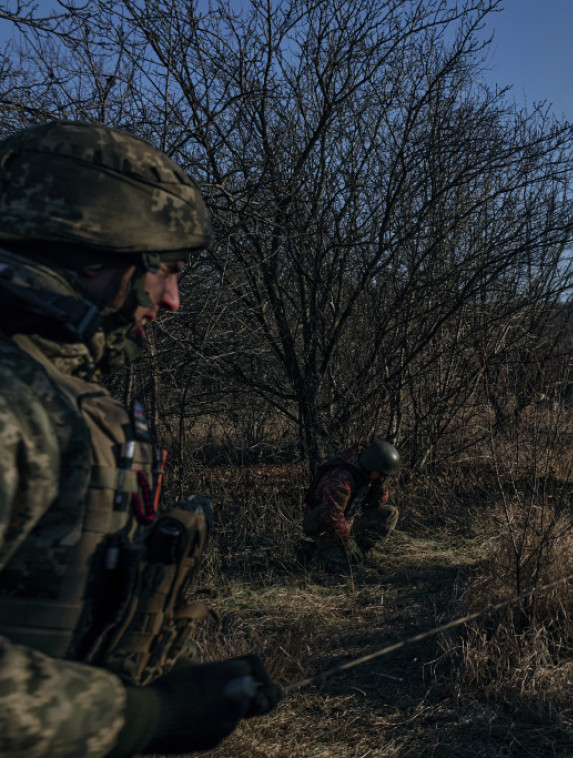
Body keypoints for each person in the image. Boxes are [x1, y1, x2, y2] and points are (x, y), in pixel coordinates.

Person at [0, 121, 281, 757]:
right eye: (166, 270)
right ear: (97, 258)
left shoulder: (51, 390)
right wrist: (137, 716)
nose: (175, 300)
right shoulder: (16, 402)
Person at [302, 439, 401, 570]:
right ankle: (309, 550)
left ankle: (361, 551)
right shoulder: (342, 478)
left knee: (390, 514)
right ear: (372, 465)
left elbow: (373, 505)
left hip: (349, 520)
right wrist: (347, 544)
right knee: (347, 568)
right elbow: (332, 517)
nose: (382, 478)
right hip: (325, 528)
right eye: (381, 474)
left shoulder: (368, 473)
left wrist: (379, 490)